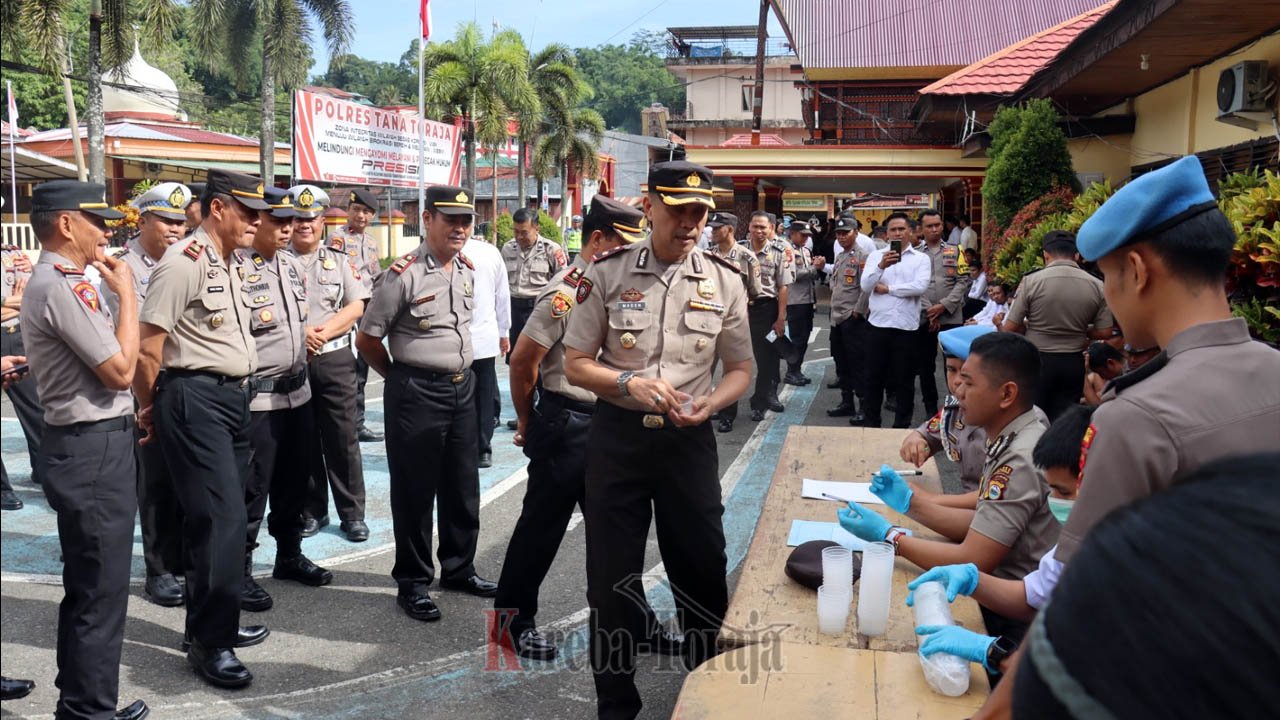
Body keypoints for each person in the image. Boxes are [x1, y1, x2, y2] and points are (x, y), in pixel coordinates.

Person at [971, 156, 1280, 719]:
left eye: (1108, 278)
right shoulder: (1272, 367)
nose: (1109, 297)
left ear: (1136, 271)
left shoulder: (1139, 413)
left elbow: (1070, 602)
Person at [562, 161, 752, 720]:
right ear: (650, 207)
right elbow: (575, 364)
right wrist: (627, 382)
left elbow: (742, 369)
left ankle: (705, 698)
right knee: (611, 583)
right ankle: (617, 706)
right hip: (618, 442)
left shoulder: (725, 280)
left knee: (701, 570)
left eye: (700, 213)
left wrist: (712, 404)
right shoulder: (606, 273)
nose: (691, 223)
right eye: (679, 210)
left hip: (686, 444)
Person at [495, 195, 681, 661]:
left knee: (617, 531)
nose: (633, 253)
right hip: (567, 424)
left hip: (609, 423)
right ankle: (509, 626)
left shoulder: (610, 284)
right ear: (598, 240)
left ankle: (635, 623)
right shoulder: (569, 289)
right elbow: (523, 360)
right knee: (541, 528)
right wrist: (526, 417)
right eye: (623, 243)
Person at [841, 333, 1059, 663]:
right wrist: (912, 505)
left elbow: (975, 558)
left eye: (968, 381)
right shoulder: (1010, 436)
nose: (957, 389)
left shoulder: (1019, 457)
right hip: (1001, 594)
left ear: (1006, 394)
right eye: (954, 375)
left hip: (1011, 617)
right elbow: (983, 522)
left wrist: (891, 537)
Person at [1012, 454, 1280, 719]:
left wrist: (993, 651)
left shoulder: (1119, 564)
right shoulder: (1108, 547)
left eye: (1064, 491)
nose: (1056, 500)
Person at [134, 170, 270, 689]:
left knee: (217, 523)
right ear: (219, 209)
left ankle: (210, 627)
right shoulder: (182, 262)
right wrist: (150, 409)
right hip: (195, 399)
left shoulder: (229, 261)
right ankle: (212, 644)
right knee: (221, 521)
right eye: (249, 213)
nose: (257, 222)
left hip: (233, 400)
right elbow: (150, 348)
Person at [20, 180, 150, 720]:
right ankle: (90, 710)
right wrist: (130, 297)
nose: (108, 231)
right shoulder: (61, 285)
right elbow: (120, 371)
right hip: (90, 447)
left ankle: (80, 699)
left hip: (92, 444)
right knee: (100, 589)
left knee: (90, 584)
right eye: (97, 221)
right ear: (67, 224)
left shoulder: (72, 280)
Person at [356, 185, 497, 623]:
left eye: (466, 221)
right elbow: (367, 339)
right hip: (416, 392)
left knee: (462, 486)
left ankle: (459, 569)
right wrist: (400, 378)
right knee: (415, 491)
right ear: (428, 219)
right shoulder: (403, 275)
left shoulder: (468, 269)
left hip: (463, 388)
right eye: (450, 219)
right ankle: (413, 581)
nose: (459, 228)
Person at [905, 405, 1095, 682]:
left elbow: (1074, 671)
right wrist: (973, 581)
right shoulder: (1078, 536)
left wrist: (994, 653)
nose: (959, 388)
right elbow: (1036, 591)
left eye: (1063, 492)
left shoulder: (1020, 454)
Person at [233, 187, 334, 615]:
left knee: (295, 482)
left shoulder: (291, 265)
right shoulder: (234, 269)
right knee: (252, 489)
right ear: (257, 222)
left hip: (299, 392)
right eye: (279, 221)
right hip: (259, 401)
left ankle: (288, 556)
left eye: (291, 221)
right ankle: (239, 572)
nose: (288, 228)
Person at [101, 181, 192, 607]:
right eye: (166, 221)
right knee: (154, 479)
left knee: (187, 477)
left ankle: (186, 558)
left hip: (186, 381)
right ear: (145, 220)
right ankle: (159, 568)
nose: (176, 230)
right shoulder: (121, 269)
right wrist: (147, 398)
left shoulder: (191, 261)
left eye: (180, 221)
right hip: (144, 384)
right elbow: (128, 339)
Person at [288, 185, 371, 543]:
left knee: (342, 438)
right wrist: (301, 336)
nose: (304, 225)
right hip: (291, 361)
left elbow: (356, 306)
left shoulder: (338, 260)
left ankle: (352, 514)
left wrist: (318, 334)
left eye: (311, 219)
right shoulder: (274, 261)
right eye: (297, 219)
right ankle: (312, 511)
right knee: (303, 439)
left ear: (323, 221)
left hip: (334, 357)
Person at [900, 325, 1045, 494]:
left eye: (966, 377)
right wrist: (918, 443)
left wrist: (922, 502)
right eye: (951, 370)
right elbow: (928, 433)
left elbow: (995, 496)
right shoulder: (957, 409)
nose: (956, 382)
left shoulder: (1024, 421)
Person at [1001, 230, 1115, 420]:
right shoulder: (1097, 285)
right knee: (1064, 420)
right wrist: (1080, 331)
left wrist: (1032, 327)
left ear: (1045, 255)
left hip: (1038, 360)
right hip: (1073, 361)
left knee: (1033, 418)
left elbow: (1010, 327)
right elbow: (1104, 331)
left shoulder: (1031, 281)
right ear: (1077, 255)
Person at [858, 212, 930, 428]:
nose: (897, 233)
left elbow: (919, 287)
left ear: (910, 231)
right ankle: (871, 425)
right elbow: (866, 286)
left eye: (901, 229)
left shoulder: (921, 259)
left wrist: (889, 289)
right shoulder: (876, 257)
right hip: (877, 326)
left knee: (905, 381)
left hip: (906, 328)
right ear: (886, 233)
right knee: (873, 379)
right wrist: (881, 266)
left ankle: (901, 426)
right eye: (893, 230)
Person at [501, 208, 568, 428]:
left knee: (540, 361)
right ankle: (524, 410)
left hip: (539, 311)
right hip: (514, 309)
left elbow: (564, 281)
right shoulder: (508, 248)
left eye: (524, 232)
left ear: (536, 228)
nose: (519, 237)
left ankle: (543, 410)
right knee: (516, 362)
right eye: (516, 232)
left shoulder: (551, 249)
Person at [329, 189, 384, 443]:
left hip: (368, 311)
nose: (360, 215)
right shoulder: (337, 239)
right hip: (346, 311)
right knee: (345, 369)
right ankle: (345, 423)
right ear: (348, 210)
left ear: (371, 216)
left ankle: (358, 423)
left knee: (362, 368)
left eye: (366, 212)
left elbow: (375, 276)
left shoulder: (371, 242)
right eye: (356, 210)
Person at [915, 209, 972, 418]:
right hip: (924, 317)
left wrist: (943, 306)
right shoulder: (915, 254)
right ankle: (931, 409)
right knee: (925, 366)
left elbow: (963, 281)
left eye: (937, 224)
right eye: (929, 226)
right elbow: (913, 285)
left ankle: (957, 408)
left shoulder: (956, 250)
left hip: (951, 317)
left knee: (956, 365)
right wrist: (930, 311)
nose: (934, 229)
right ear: (921, 229)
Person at [1, 242, 45, 509]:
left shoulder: (12, 253)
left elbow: (35, 297)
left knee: (37, 410)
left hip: (16, 337)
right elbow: (22, 300)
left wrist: (18, 304)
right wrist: (10, 301)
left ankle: (44, 470)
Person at [462, 232, 511, 469]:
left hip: (474, 337)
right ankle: (482, 448)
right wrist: (504, 332)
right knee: (483, 396)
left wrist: (504, 331)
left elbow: (501, 295)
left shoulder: (487, 252)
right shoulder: (489, 251)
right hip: (481, 337)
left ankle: (480, 447)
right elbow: (502, 297)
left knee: (471, 396)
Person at [744, 210, 793, 421]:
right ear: (749, 227)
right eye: (755, 226)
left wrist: (781, 318)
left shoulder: (779, 251)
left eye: (763, 227)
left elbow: (783, 287)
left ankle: (761, 401)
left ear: (771, 229)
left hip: (767, 310)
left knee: (766, 359)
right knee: (734, 357)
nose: (759, 230)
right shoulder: (739, 250)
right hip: (740, 311)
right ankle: (726, 405)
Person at [824, 215, 872, 422]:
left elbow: (867, 288)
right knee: (841, 361)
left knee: (858, 364)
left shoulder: (864, 256)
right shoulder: (841, 256)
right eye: (839, 233)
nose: (841, 237)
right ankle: (846, 402)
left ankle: (863, 405)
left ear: (856, 233)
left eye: (846, 233)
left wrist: (858, 311)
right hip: (837, 318)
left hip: (852, 319)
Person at [783, 221, 823, 386]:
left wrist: (816, 268)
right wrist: (815, 268)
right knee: (797, 338)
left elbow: (811, 276)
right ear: (792, 233)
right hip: (795, 300)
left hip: (807, 300)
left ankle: (796, 369)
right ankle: (791, 371)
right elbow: (793, 275)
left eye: (808, 235)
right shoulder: (788, 251)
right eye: (803, 235)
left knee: (804, 337)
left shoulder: (806, 251)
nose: (806, 238)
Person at [1081, 341, 1123, 406]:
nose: (1102, 377)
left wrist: (1083, 375)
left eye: (1100, 372)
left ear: (1110, 363)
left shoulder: (1129, 376)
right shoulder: (1119, 375)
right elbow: (1102, 394)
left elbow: (1097, 406)